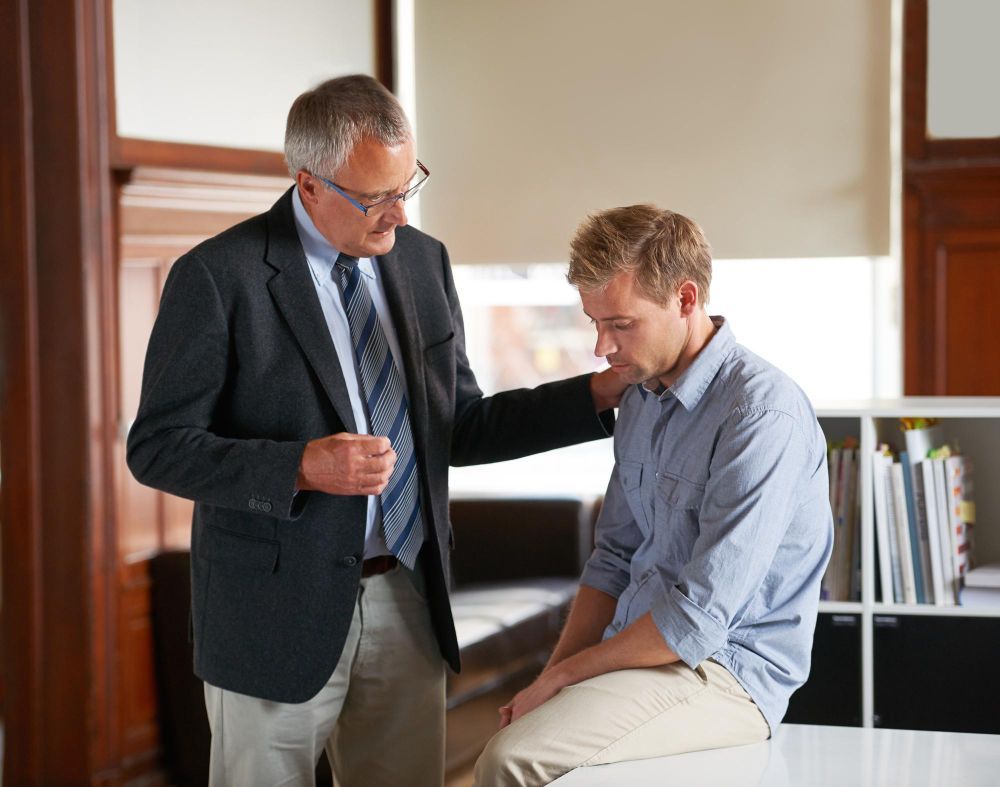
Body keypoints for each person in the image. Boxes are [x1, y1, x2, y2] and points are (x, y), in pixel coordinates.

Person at [126, 74, 625, 787]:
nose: (396, 213)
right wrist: (299, 466)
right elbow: (157, 446)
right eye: (375, 197)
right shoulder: (217, 277)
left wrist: (598, 393)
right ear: (309, 185)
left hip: (410, 597)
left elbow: (463, 425)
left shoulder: (423, 262)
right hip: (271, 614)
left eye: (406, 185)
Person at [474, 205, 833, 786]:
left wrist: (564, 679)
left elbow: (697, 617)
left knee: (512, 759)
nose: (600, 347)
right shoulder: (640, 397)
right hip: (636, 657)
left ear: (685, 299)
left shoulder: (762, 415)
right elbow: (612, 560)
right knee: (519, 735)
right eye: (594, 323)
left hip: (724, 673)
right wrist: (556, 671)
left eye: (620, 324)